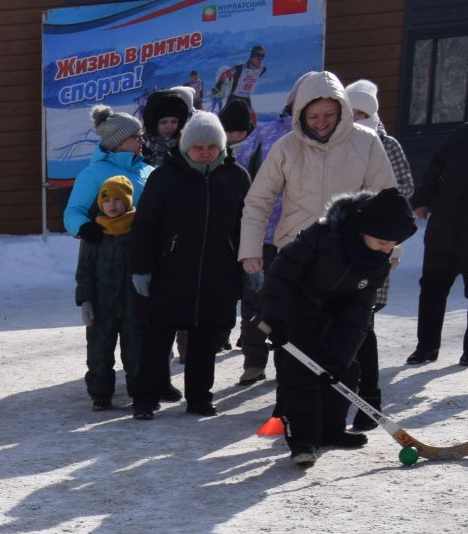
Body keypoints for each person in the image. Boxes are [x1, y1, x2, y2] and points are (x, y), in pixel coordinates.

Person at [262, 188, 419, 465]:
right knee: (300, 378)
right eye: (383, 241)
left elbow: (359, 311)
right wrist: (275, 317)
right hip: (296, 314)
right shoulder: (322, 236)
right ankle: (304, 441)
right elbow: (281, 273)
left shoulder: (379, 262)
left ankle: (332, 431)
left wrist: (339, 356)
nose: (388, 248)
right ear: (362, 229)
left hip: (336, 319)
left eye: (393, 243)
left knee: (344, 372)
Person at [239, 72, 394, 347]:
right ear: (300, 114)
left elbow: (386, 201)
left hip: (350, 252)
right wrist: (250, 250)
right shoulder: (285, 147)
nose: (321, 123)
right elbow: (258, 200)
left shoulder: (366, 142)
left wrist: (389, 246)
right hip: (297, 253)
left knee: (347, 333)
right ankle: (295, 386)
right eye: (313, 116)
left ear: (342, 111)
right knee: (296, 331)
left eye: (329, 115)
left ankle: (344, 387)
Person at [129, 111, 249, 419]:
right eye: (198, 146)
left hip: (218, 274)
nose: (205, 151)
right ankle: (145, 398)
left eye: (212, 146)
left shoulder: (236, 176)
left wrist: (249, 263)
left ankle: (199, 398)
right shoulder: (165, 177)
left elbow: (247, 225)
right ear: (186, 147)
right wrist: (141, 267)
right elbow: (144, 226)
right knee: (157, 342)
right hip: (170, 273)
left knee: (205, 343)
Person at [345, 80, 416, 420]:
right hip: (342, 246)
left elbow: (404, 188)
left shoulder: (387, 145)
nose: (356, 118)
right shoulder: (339, 144)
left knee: (364, 321)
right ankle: (334, 396)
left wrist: (373, 204)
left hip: (377, 246)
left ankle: (368, 398)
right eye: (351, 112)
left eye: (362, 113)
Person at [231, 97, 292, 383]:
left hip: (305, 238)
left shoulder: (335, 140)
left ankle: (292, 364)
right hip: (262, 235)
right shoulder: (265, 134)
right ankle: (254, 361)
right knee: (255, 303)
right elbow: (240, 173)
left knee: (294, 307)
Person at [75, 175, 139, 411]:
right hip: (102, 304)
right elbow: (84, 270)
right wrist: (85, 300)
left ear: (128, 201)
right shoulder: (95, 234)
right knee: (99, 353)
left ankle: (139, 393)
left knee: (136, 352)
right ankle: (101, 395)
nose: (112, 205)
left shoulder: (138, 230)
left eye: (118, 200)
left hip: (134, 303)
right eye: (107, 200)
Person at [408, 121, 468, 366]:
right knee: (432, 289)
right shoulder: (462, 132)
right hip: (444, 227)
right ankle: (426, 347)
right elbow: (435, 166)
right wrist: (422, 199)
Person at [64, 106, 150, 241]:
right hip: (110, 252)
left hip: (149, 249)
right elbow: (73, 212)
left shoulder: (149, 170)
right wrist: (84, 228)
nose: (142, 141)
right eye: (137, 137)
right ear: (120, 141)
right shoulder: (93, 174)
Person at [141, 86, 195, 168]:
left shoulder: (185, 147)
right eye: (163, 122)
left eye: (174, 122)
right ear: (153, 123)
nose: (169, 127)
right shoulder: (141, 146)